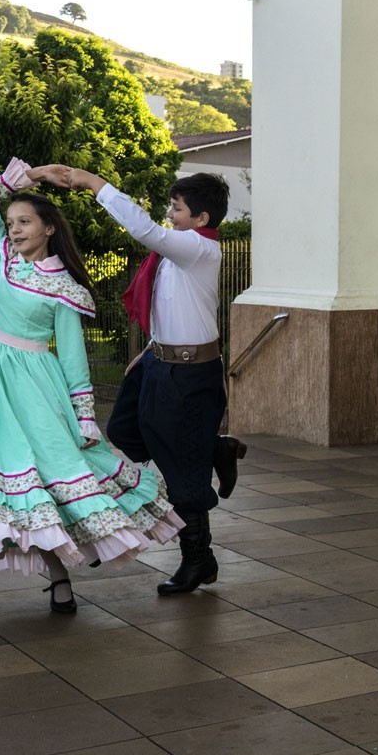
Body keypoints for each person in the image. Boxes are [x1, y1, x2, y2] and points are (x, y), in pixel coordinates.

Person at [0, 160, 181, 612]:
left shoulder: (65, 290)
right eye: (11, 222)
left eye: (24, 222)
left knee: (48, 480)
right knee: (6, 482)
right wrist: (33, 175)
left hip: (36, 391)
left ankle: (67, 572)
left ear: (49, 228)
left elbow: (74, 360)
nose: (13, 230)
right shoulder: (2, 260)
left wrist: (86, 416)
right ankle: (58, 581)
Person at [37, 165, 245, 595]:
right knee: (123, 429)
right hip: (160, 362)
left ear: (201, 219)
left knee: (183, 470)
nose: (171, 214)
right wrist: (149, 351)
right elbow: (176, 310)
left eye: (178, 208)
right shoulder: (177, 254)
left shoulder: (198, 249)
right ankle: (215, 448)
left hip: (190, 375)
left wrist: (93, 183)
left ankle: (198, 559)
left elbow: (145, 229)